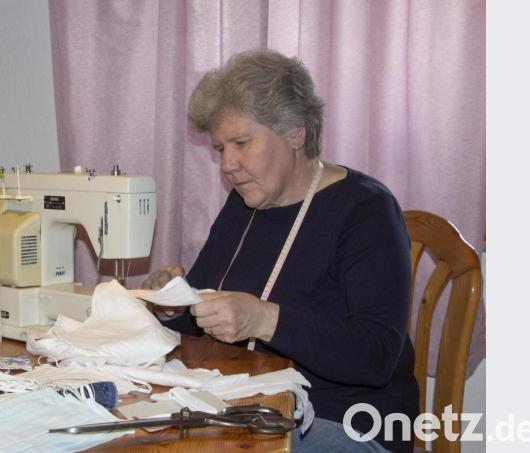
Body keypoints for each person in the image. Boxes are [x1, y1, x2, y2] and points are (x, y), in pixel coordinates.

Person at [142, 49, 418, 453]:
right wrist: (173, 304)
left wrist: (264, 319)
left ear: (295, 133)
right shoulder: (245, 204)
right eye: (220, 148)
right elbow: (200, 318)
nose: (228, 164)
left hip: (348, 422)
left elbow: (375, 356)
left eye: (241, 142)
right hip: (251, 406)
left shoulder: (365, 209)